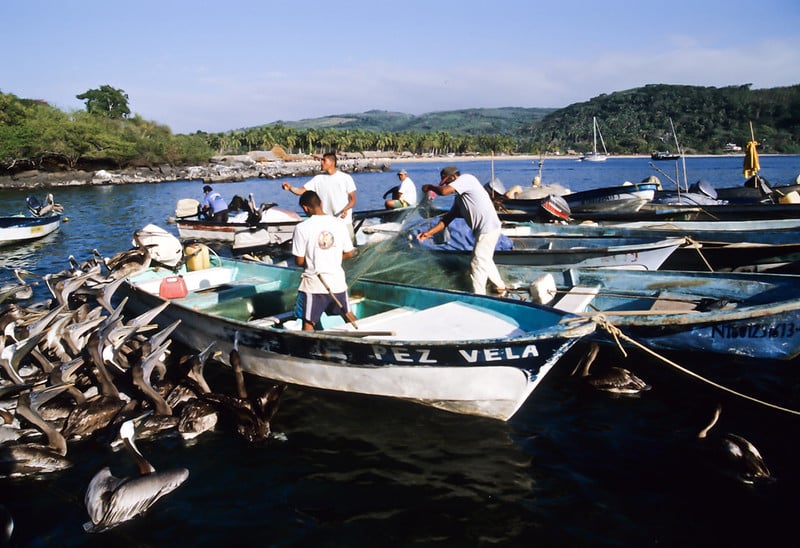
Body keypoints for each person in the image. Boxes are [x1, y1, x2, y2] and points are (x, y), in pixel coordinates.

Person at [417, 166, 507, 296]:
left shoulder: (467, 179)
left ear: (454, 177)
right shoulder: (459, 198)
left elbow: (443, 192)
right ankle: (500, 287)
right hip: (485, 230)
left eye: (448, 182)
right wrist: (428, 233)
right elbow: (447, 219)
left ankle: (480, 297)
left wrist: (430, 187)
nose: (448, 185)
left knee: (477, 263)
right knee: (484, 260)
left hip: (488, 228)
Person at [291, 190, 356, 331]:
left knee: (308, 322)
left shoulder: (301, 228)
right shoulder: (339, 224)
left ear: (305, 208)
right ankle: (365, 337)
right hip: (337, 281)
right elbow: (349, 253)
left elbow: (299, 261)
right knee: (348, 314)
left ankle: (308, 349)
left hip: (314, 284)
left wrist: (315, 260)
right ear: (321, 203)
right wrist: (332, 259)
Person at [281, 152, 357, 242]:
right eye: (321, 160)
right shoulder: (318, 179)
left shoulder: (345, 178)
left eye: (324, 160)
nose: (321, 162)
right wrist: (290, 188)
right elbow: (301, 191)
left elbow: (353, 200)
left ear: (332, 162)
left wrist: (345, 209)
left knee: (350, 250)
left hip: (343, 222)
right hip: (327, 223)